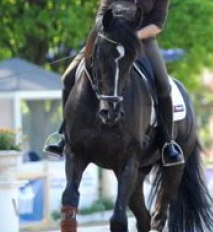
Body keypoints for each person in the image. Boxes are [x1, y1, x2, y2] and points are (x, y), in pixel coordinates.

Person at [44, 0, 184, 167]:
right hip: (108, 36)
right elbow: (102, 13)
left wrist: (132, 36)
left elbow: (157, 24)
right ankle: (63, 134)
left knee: (163, 84)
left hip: (141, 40)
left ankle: (167, 143)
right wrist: (111, 32)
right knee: (68, 77)